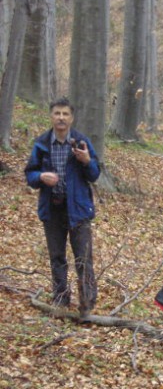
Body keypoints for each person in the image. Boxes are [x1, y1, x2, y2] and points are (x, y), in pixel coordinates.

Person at [24, 97, 101, 318]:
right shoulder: (42, 144)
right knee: (57, 256)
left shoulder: (81, 142)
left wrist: (87, 160)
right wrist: (40, 176)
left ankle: (87, 303)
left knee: (83, 258)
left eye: (65, 114)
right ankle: (60, 299)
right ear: (51, 116)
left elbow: (94, 175)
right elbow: (29, 174)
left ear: (71, 118)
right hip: (53, 209)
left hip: (78, 209)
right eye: (57, 113)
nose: (61, 118)